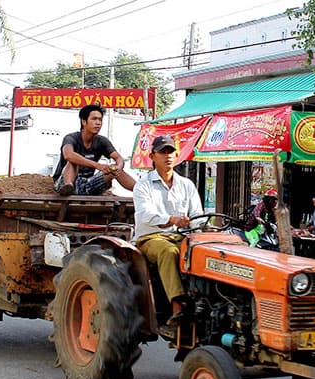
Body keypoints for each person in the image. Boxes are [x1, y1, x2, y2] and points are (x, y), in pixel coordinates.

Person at [133, 135, 204, 328]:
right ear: (152, 156)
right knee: (169, 252)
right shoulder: (143, 185)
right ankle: (177, 306)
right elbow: (145, 214)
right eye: (162, 152)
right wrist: (171, 219)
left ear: (177, 155)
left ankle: (202, 301)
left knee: (205, 252)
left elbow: (198, 214)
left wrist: (202, 226)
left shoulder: (186, 185)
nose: (167, 156)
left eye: (171, 152)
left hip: (180, 236)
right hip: (150, 238)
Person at [52, 104, 136, 196]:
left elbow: (118, 158)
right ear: (84, 122)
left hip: (88, 184)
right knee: (73, 161)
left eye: (100, 120)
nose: (98, 123)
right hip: (64, 184)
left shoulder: (102, 141)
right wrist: (97, 165)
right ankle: (68, 187)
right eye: (94, 119)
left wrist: (118, 168)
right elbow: (68, 155)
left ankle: (141, 191)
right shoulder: (71, 138)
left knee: (113, 169)